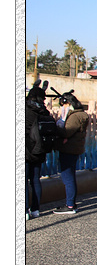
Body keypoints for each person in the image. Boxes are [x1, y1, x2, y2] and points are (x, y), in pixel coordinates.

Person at [53, 91, 89, 214]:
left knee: (67, 177)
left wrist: (60, 122)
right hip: (74, 148)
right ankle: (71, 203)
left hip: (69, 149)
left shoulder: (75, 116)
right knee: (70, 176)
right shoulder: (81, 115)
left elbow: (66, 132)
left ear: (68, 103)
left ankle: (70, 205)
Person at [25, 81, 56, 219]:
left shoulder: (26, 111)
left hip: (26, 150)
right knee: (35, 180)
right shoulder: (45, 112)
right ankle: (35, 209)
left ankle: (25, 210)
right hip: (39, 151)